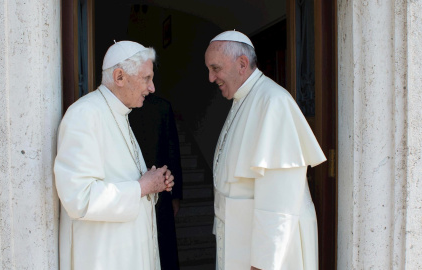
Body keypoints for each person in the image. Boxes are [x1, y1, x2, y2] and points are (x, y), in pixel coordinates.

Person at [205, 30, 326, 270]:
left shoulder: (273, 102)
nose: (211, 78)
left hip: (264, 256)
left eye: (215, 68)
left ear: (242, 64)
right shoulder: (245, 99)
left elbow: (280, 200)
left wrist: (263, 265)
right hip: (239, 241)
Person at [54, 40, 174, 270]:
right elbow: (79, 198)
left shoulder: (119, 114)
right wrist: (142, 187)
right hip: (104, 257)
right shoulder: (85, 114)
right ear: (119, 77)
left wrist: (154, 183)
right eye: (146, 78)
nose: (152, 88)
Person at [129, 94, 183, 270]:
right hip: (131, 192)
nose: (151, 85)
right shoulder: (116, 110)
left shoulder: (162, 107)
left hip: (161, 191)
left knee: (164, 249)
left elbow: (172, 151)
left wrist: (175, 195)